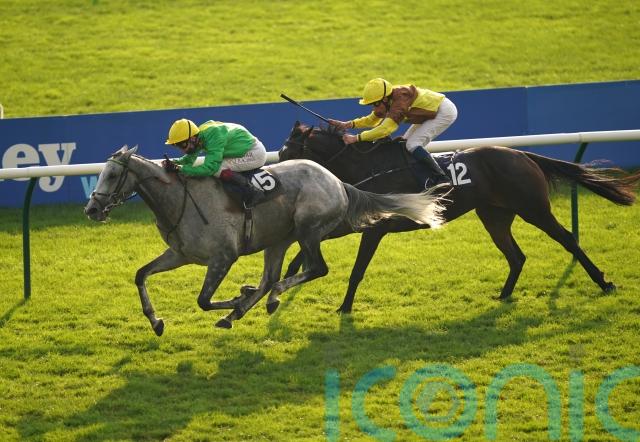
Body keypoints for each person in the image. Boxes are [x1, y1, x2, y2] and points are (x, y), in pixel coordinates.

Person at [329, 78, 457, 186]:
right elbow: (372, 120)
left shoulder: (399, 102)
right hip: (429, 112)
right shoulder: (387, 100)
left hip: (443, 111)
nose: (374, 108)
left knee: (412, 145)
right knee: (405, 144)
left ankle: (442, 178)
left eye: (375, 104)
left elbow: (385, 130)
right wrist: (348, 124)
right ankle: (422, 178)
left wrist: (356, 138)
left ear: (385, 99)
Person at [164, 118, 267, 206]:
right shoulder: (200, 136)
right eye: (177, 146)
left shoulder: (214, 136)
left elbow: (210, 168)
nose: (182, 150)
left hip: (254, 152)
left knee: (217, 169)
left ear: (192, 138)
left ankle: (252, 191)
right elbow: (189, 159)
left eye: (182, 145)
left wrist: (180, 169)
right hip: (242, 151)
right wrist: (175, 163)